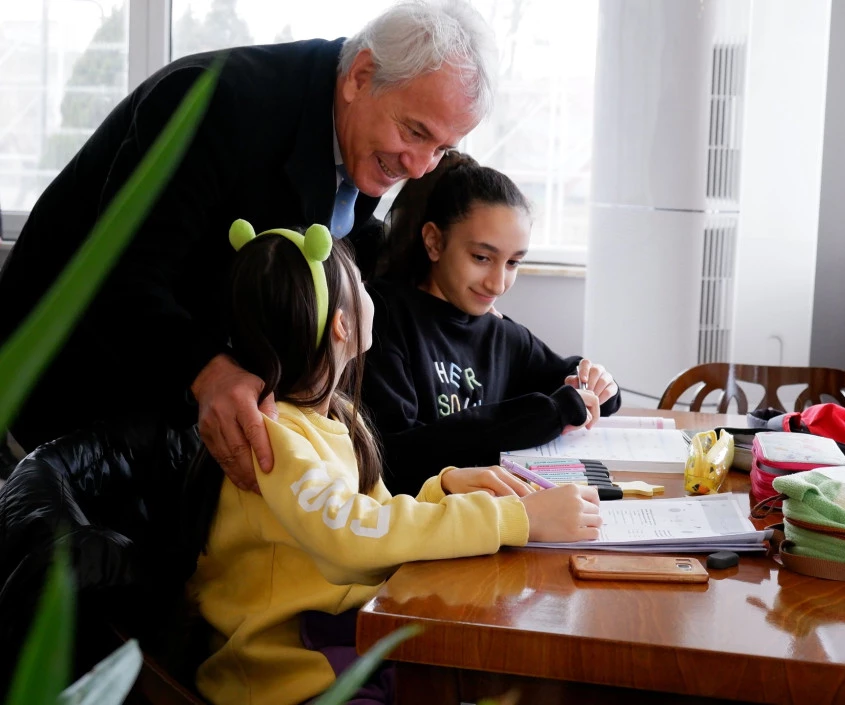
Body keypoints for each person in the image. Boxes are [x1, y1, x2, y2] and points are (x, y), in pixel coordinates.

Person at [0, 1, 496, 493]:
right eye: (416, 133)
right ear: (360, 76)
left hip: (164, 420)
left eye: (442, 149)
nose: (419, 168)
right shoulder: (216, 104)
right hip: (64, 401)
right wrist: (208, 371)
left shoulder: (365, 137)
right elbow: (119, 277)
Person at [185, 218, 602, 705]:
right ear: (343, 325)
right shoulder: (276, 438)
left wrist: (442, 490)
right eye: (361, 284)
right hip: (284, 679)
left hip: (341, 647)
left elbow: (376, 520)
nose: (372, 293)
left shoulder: (336, 418)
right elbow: (351, 536)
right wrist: (517, 518)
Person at [362, 152, 622, 497]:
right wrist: (545, 413)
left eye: (513, 262)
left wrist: (600, 385)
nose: (497, 284)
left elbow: (566, 379)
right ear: (434, 242)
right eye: (482, 258)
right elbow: (393, 455)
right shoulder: (381, 317)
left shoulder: (500, 333)